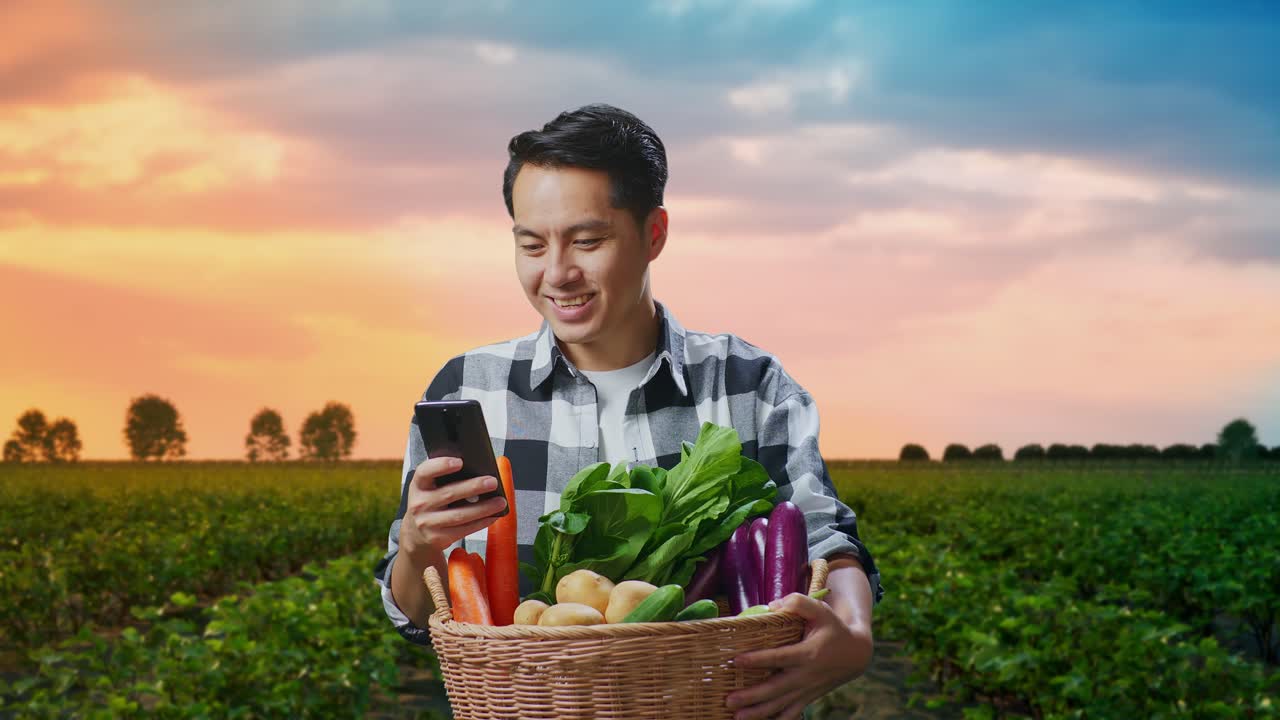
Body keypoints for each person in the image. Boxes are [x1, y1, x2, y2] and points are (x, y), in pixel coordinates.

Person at [373, 103, 882, 720]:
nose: (557, 273)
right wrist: (419, 548)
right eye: (531, 244)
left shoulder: (750, 385)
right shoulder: (467, 391)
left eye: (588, 241)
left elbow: (826, 539)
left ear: (655, 234)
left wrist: (853, 634)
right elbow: (419, 615)